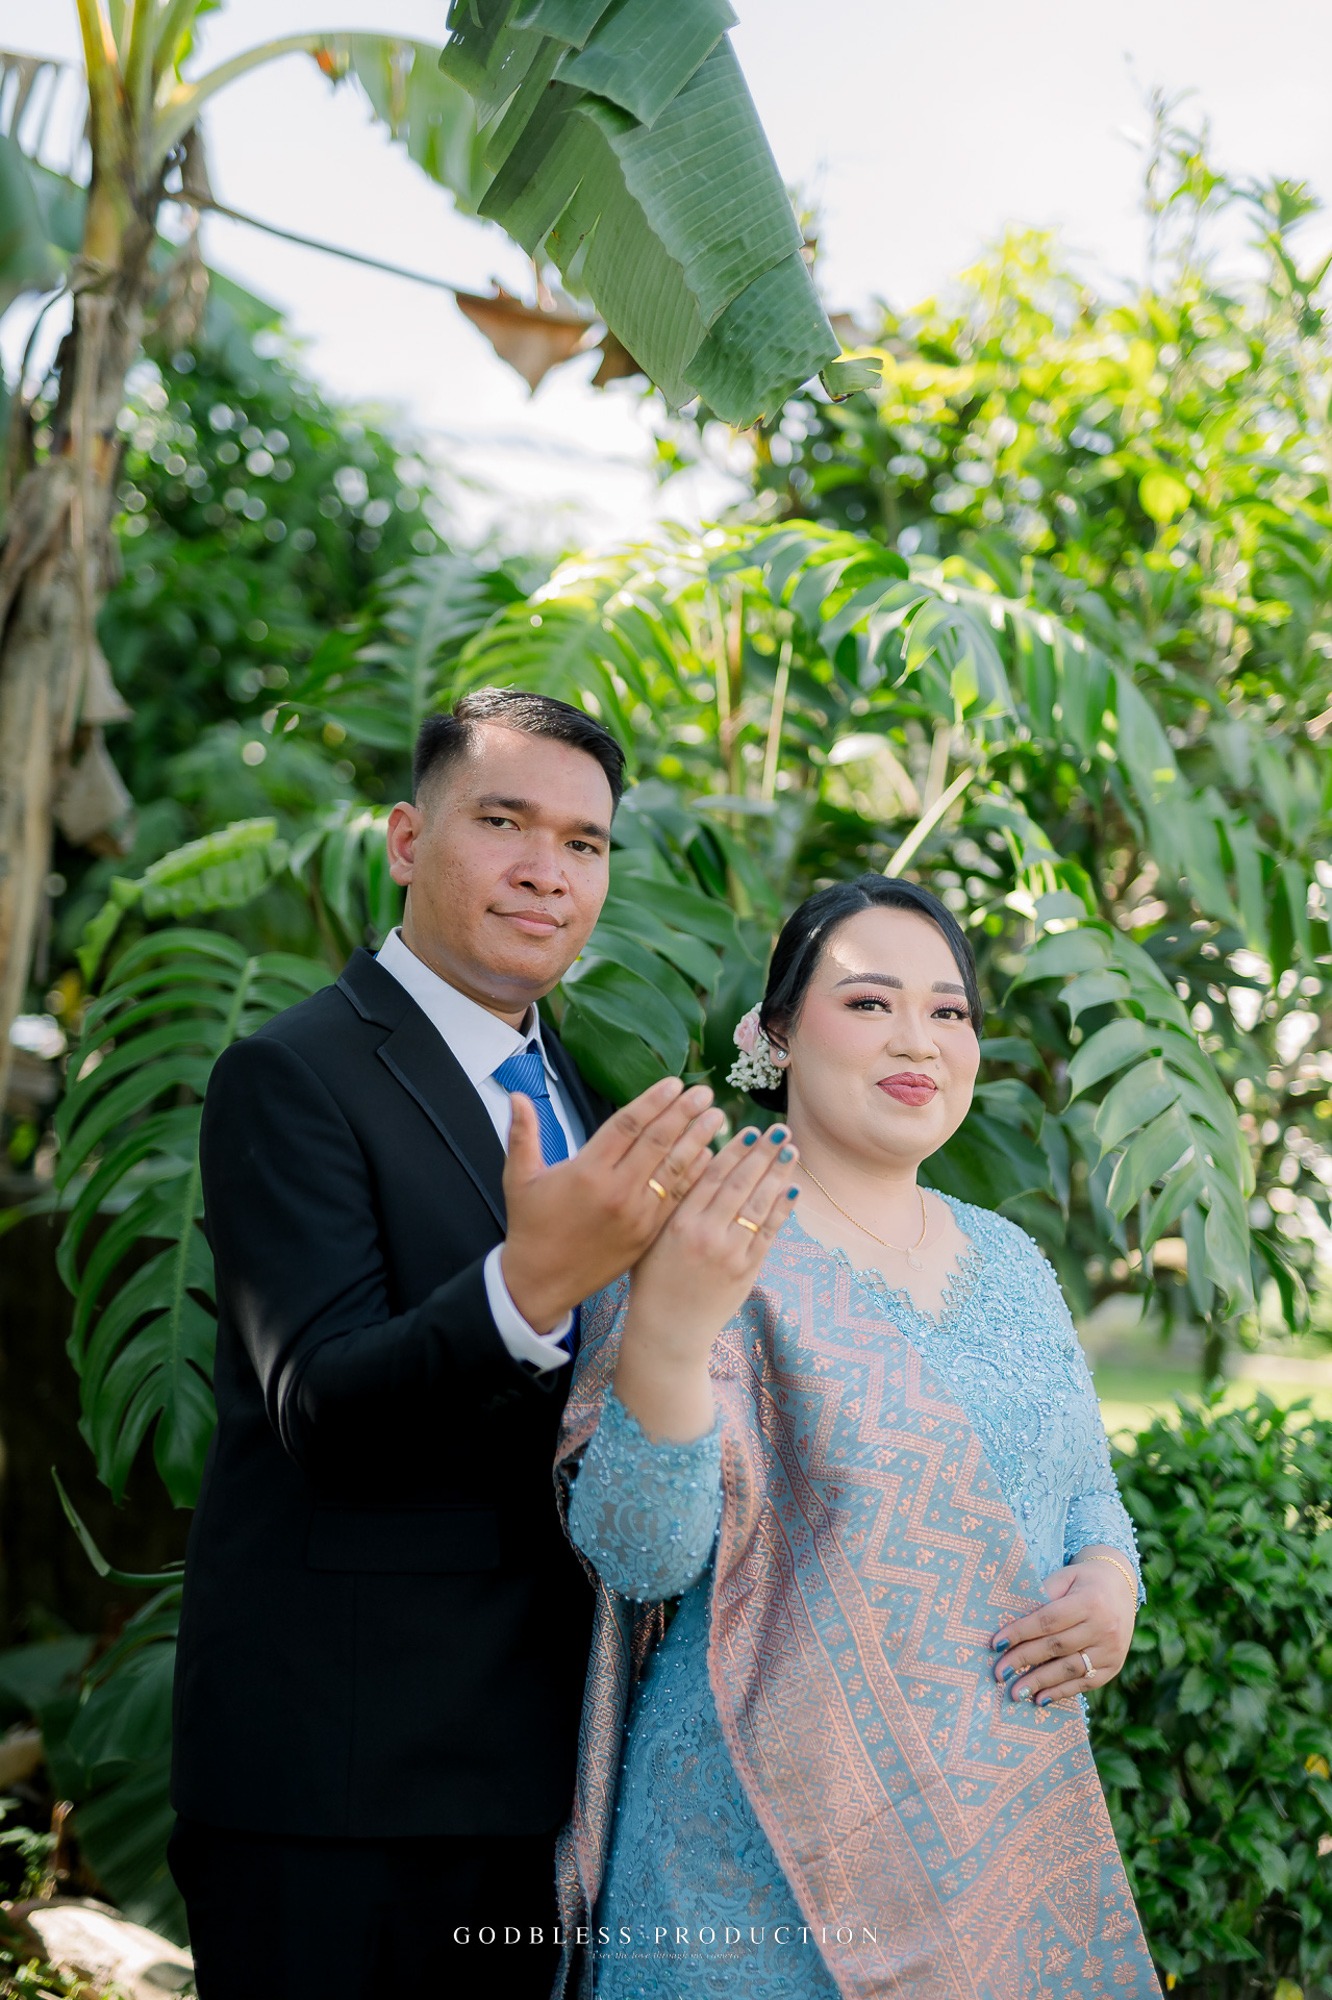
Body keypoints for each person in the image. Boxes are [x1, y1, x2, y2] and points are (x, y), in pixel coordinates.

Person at [168, 688, 724, 2000]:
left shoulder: (577, 1084)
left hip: (539, 1779)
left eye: (584, 843)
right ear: (409, 841)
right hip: (343, 1786)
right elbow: (319, 1401)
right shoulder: (292, 1075)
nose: (547, 870)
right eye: (504, 822)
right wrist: (527, 1287)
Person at [555, 874, 1161, 1998]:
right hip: (752, 1864)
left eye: (948, 1010)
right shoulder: (704, 1233)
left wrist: (1113, 1579)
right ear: (778, 1032)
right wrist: (671, 1339)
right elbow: (638, 1557)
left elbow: (1086, 1490)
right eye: (870, 1001)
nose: (917, 1039)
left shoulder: (1012, 1262)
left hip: (991, 1854)